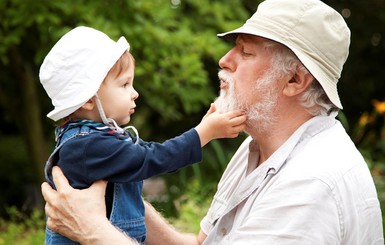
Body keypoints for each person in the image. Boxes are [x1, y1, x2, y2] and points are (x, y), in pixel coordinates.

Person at [41, 0, 385, 244]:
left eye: (246, 52)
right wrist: (115, 195)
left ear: (295, 80)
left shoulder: (312, 187)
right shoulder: (257, 150)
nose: (225, 59)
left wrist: (94, 231)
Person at [39, 26, 246, 244]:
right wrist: (204, 133)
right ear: (89, 99)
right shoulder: (87, 145)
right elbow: (152, 159)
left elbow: (151, 152)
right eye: (125, 84)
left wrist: (203, 128)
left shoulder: (99, 138)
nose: (135, 93)